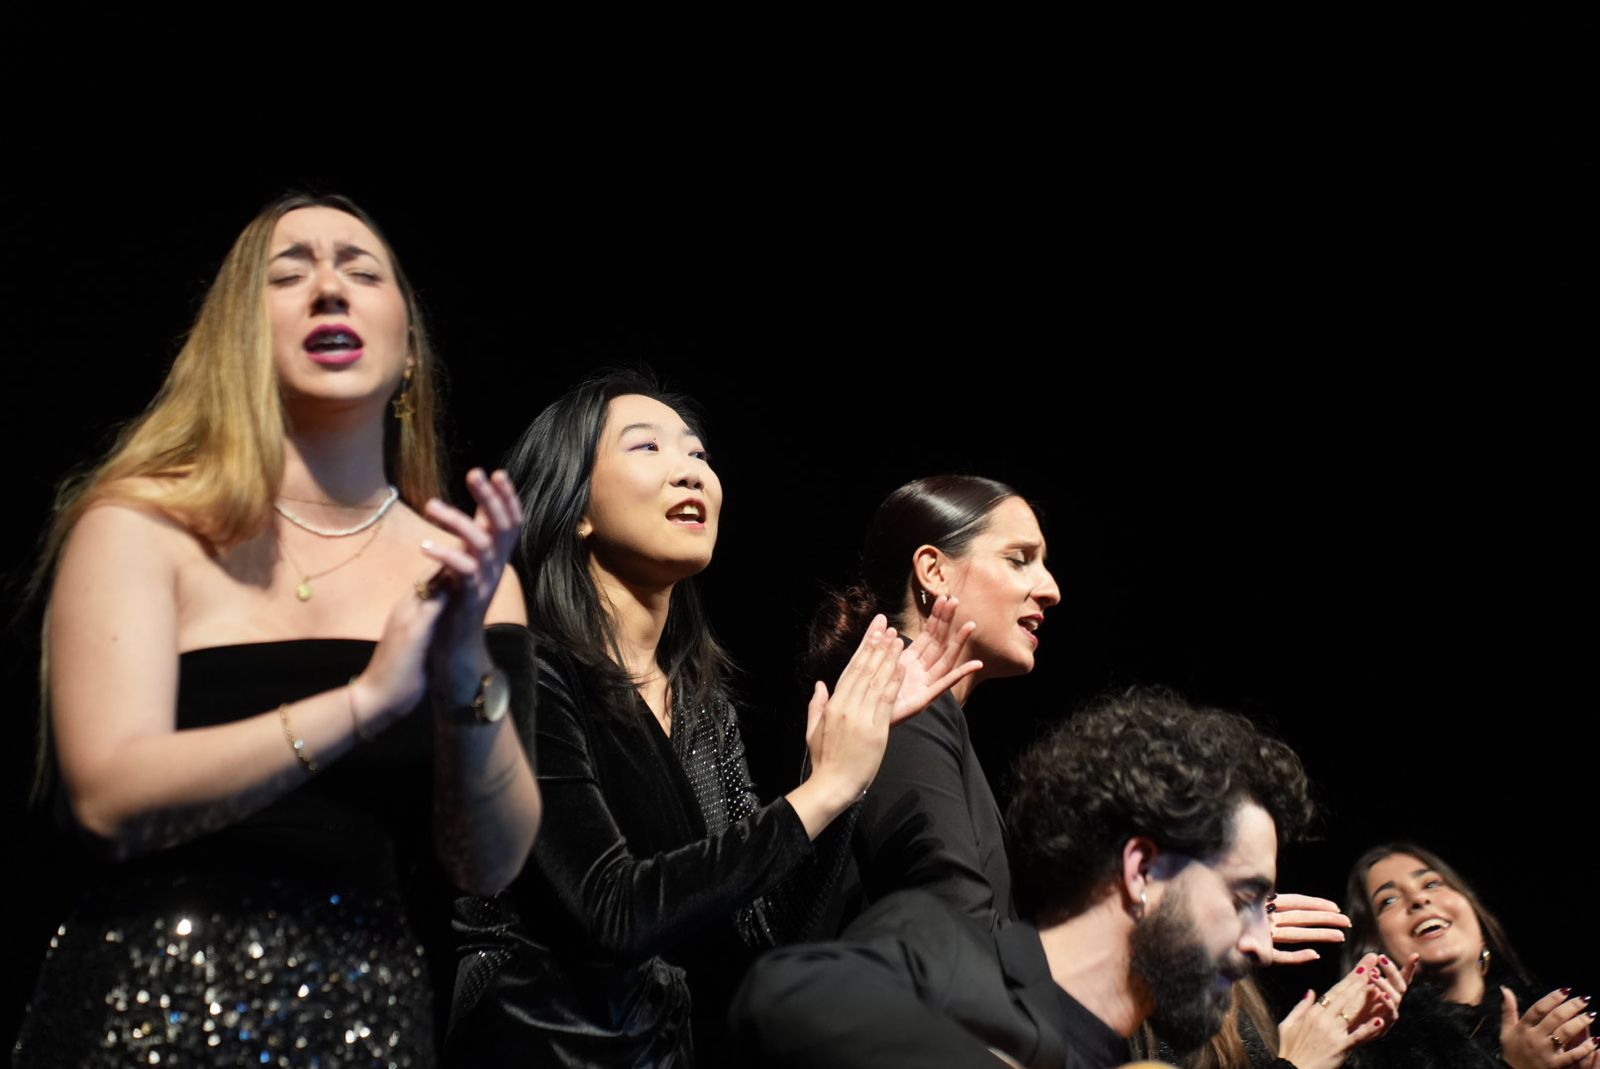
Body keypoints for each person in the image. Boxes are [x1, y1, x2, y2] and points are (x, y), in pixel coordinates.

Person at [13, 193, 541, 1066]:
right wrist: (366, 701)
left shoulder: (468, 568)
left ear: (410, 349)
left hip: (366, 1019)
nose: (329, 289)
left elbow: (489, 866)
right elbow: (109, 799)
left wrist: (461, 682)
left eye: (361, 270)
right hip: (146, 1011)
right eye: (288, 274)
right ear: (236, 340)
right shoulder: (142, 526)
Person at [446, 370, 977, 1067]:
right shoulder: (527, 669)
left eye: (697, 455)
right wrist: (817, 794)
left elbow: (757, 930)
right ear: (578, 507)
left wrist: (844, 773)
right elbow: (615, 909)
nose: (689, 473)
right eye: (649, 449)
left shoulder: (700, 707)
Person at [730, 687, 1397, 1069]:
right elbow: (780, 996)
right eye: (1245, 897)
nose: (1259, 943)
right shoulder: (961, 953)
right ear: (1142, 870)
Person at [805, 474, 1058, 934]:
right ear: (935, 572)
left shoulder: (916, 707)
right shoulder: (902, 707)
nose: (1050, 589)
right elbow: (956, 921)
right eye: (1019, 560)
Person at [1340, 843, 1598, 1069]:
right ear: (1374, 946)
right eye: (1388, 900)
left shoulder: (1550, 1018)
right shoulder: (1368, 1055)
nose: (1418, 898)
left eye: (1431, 884)